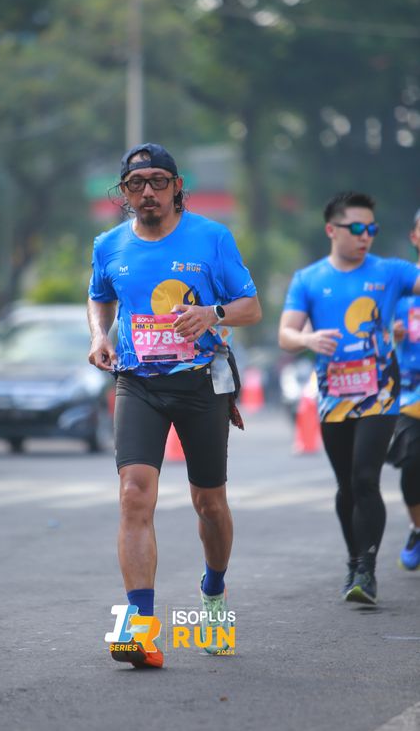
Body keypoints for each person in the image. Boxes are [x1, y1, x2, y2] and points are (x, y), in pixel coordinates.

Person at [88, 142, 261, 667]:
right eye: (136, 184)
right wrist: (100, 335)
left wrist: (212, 314)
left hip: (201, 383)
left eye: (158, 181)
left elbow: (251, 306)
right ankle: (140, 629)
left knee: (209, 503)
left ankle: (213, 592)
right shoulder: (109, 244)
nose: (148, 192)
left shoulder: (212, 238)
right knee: (133, 496)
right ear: (124, 192)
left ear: (177, 186)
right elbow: (100, 295)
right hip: (137, 382)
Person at [278, 191, 420, 606]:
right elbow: (286, 334)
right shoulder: (308, 279)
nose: (365, 236)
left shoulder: (391, 272)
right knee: (346, 487)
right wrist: (308, 340)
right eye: (357, 228)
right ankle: (354, 560)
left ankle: (367, 571)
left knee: (364, 478)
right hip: (334, 398)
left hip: (380, 394)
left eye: (371, 228)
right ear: (331, 230)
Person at [387, 208, 420, 570]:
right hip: (412, 395)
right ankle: (417, 528)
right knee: (412, 463)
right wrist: (389, 333)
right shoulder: (400, 290)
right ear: (414, 237)